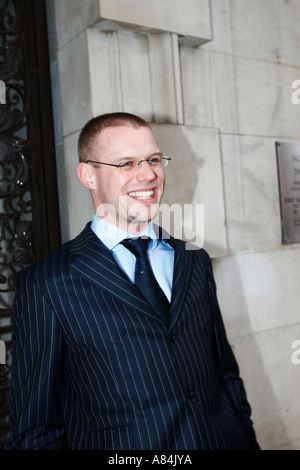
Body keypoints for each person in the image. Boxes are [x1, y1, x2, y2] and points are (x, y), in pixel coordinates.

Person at [6, 112, 260, 450]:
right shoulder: (46, 283)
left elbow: (224, 373)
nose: (148, 174)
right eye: (126, 163)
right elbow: (34, 431)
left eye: (153, 159)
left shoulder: (193, 259)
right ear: (88, 175)